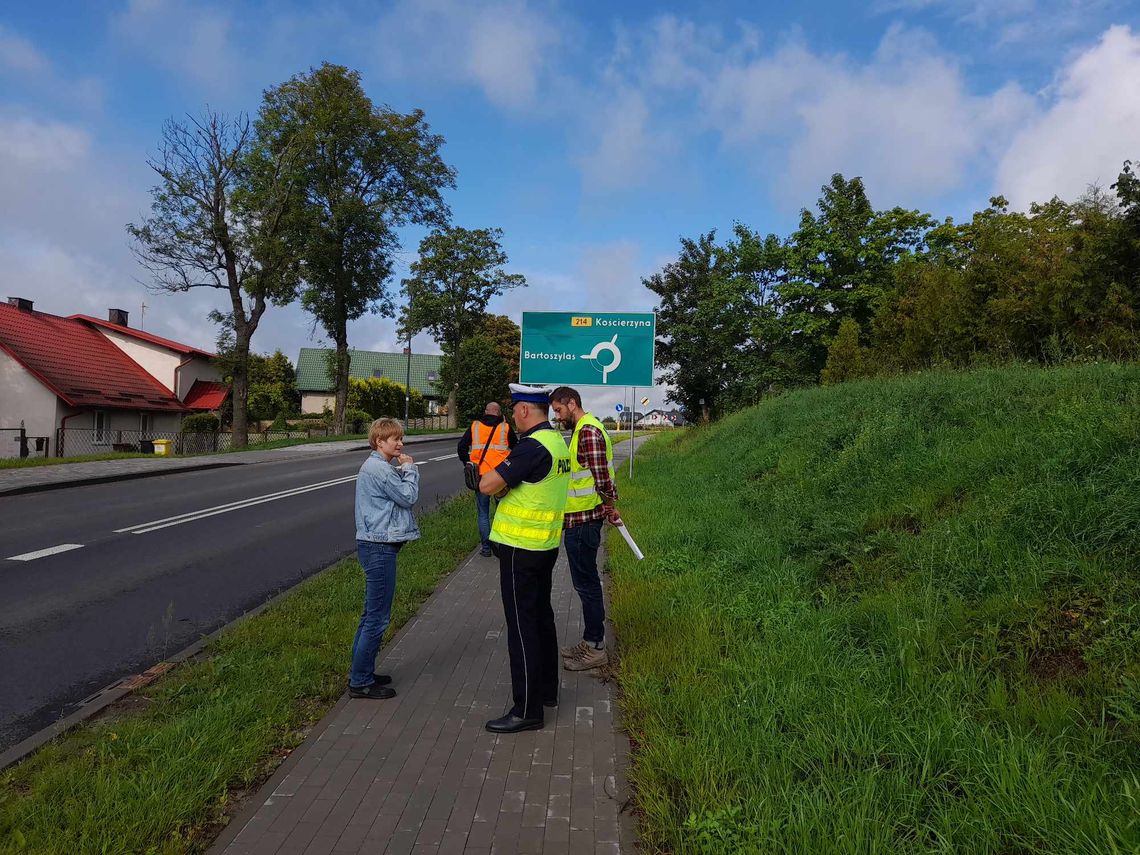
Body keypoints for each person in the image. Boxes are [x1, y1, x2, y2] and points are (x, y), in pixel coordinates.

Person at [478, 384, 571, 733]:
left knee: (521, 627)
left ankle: (527, 709)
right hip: (544, 547)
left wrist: (491, 480)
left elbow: (488, 484)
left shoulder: (531, 447)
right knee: (542, 619)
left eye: (515, 408)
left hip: (520, 549)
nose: (514, 415)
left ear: (523, 411)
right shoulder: (556, 443)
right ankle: (547, 691)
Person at [348, 417, 420, 699]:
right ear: (379, 441)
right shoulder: (379, 469)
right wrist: (410, 469)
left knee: (370, 615)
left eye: (401, 438)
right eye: (395, 439)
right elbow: (407, 496)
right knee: (377, 618)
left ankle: (361, 671)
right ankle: (360, 681)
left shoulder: (378, 467)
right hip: (378, 547)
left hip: (374, 544)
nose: (401, 443)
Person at [549, 386, 620, 672]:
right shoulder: (583, 429)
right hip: (579, 519)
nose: (556, 416)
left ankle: (595, 648)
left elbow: (602, 477)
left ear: (572, 403)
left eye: (558, 410)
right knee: (585, 583)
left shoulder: (588, 431)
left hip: (584, 520)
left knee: (587, 585)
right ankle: (590, 641)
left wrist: (609, 506)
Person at [457, 401, 518, 556]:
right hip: (501, 476)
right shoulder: (505, 427)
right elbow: (517, 448)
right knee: (501, 512)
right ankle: (502, 546)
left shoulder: (475, 426)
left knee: (483, 513)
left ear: (486, 411)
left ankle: (486, 549)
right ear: (498, 413)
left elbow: (461, 447)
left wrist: (468, 462)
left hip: (481, 477)